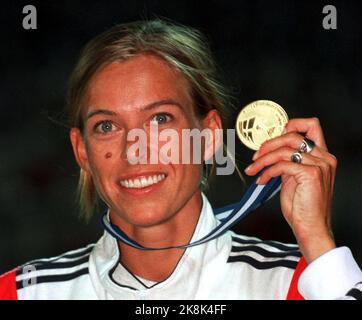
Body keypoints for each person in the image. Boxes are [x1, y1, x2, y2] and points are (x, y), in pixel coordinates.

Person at [0, 19, 361, 300]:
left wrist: (317, 242)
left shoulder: (298, 282)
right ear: (83, 152)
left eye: (160, 119)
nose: (134, 150)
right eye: (107, 125)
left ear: (209, 136)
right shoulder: (24, 291)